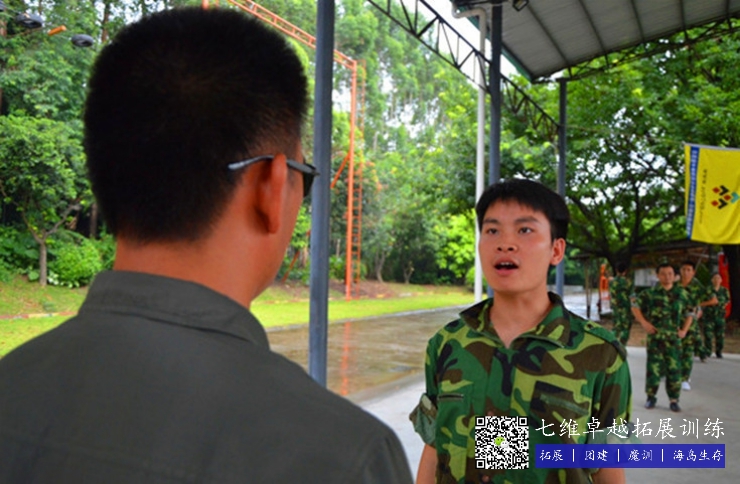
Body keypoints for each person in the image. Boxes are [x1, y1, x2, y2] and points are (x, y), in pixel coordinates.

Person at [0, 8, 412, 483]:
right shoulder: (350, 449)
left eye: (515, 230)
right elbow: (471, 447)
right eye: (487, 228)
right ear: (272, 186)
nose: (495, 246)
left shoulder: (14, 388)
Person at [410, 179, 632, 484]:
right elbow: (435, 447)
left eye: (524, 230)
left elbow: (608, 466)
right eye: (492, 231)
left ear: (556, 250)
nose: (505, 243)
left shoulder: (601, 354)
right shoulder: (448, 343)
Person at [631, 263, 692, 412]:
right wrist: (644, 323)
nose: (667, 277)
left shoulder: (682, 294)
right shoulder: (649, 294)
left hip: (673, 339)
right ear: (658, 275)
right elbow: (634, 306)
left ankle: (674, 400)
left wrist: (684, 330)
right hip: (655, 338)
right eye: (663, 274)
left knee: (674, 370)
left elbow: (690, 313)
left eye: (670, 273)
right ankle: (650, 397)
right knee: (653, 369)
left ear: (675, 276)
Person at [678, 260, 717, 388]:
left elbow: (713, 300)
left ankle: (685, 378)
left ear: (693, 272)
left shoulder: (697, 286)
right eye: (684, 269)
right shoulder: (674, 284)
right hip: (674, 321)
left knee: (687, 350)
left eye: (689, 270)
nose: (686, 272)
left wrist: (697, 304)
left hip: (690, 323)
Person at [702, 273, 730, 358]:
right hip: (709, 316)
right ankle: (708, 351)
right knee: (708, 335)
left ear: (721, 280)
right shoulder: (708, 290)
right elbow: (703, 300)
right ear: (712, 280)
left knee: (720, 335)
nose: (717, 280)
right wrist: (711, 303)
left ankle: (719, 351)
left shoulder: (724, 291)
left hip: (720, 316)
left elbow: (727, 301)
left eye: (718, 278)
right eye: (715, 278)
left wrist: (718, 303)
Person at [609, 261, 633, 346]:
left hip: (615, 307)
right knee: (625, 327)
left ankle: (612, 344)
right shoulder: (628, 282)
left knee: (616, 327)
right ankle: (622, 345)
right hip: (626, 308)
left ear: (616, 270)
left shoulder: (611, 282)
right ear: (625, 271)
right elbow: (632, 296)